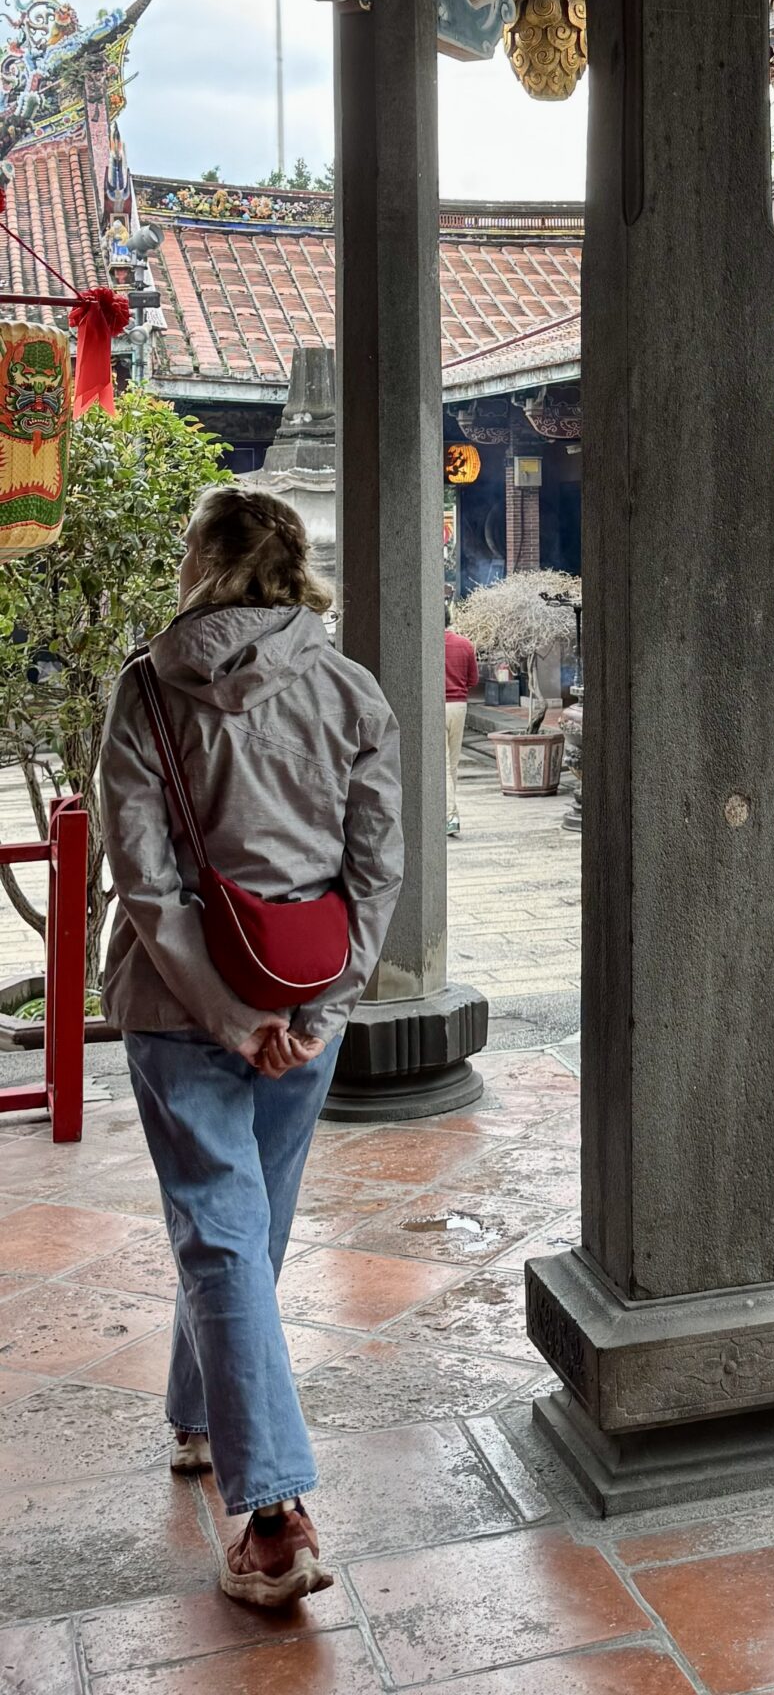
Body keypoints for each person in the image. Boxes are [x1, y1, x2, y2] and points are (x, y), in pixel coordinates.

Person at [99, 486, 403, 1611]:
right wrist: (323, 1008)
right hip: (307, 1001)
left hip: (179, 1009)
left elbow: (145, 881)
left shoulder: (146, 688)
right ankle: (210, 1426)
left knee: (227, 1235)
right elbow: (377, 870)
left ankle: (271, 1515)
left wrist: (231, 1020)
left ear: (201, 563)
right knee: (244, 1231)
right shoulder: (351, 688)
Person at [443, 604, 479, 834]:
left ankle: (450, 816)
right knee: (452, 764)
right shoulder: (465, 644)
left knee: (444, 765)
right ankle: (449, 814)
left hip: (436, 706)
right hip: (459, 706)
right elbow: (473, 680)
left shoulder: (428, 643)